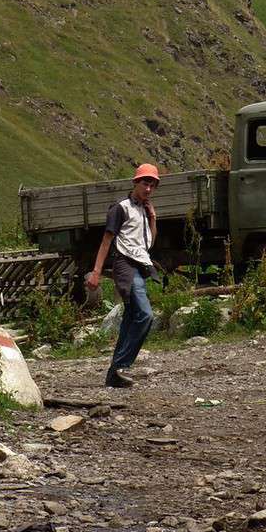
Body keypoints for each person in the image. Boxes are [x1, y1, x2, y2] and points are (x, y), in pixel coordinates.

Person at [87, 163, 159, 389]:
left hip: (141, 264)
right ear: (135, 183)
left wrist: (153, 219)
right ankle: (121, 365)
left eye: (152, 185)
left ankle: (114, 374)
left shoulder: (145, 210)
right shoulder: (121, 208)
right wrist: (96, 272)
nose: (148, 189)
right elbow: (106, 241)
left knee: (131, 317)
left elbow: (149, 243)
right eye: (145, 183)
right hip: (125, 264)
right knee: (145, 315)